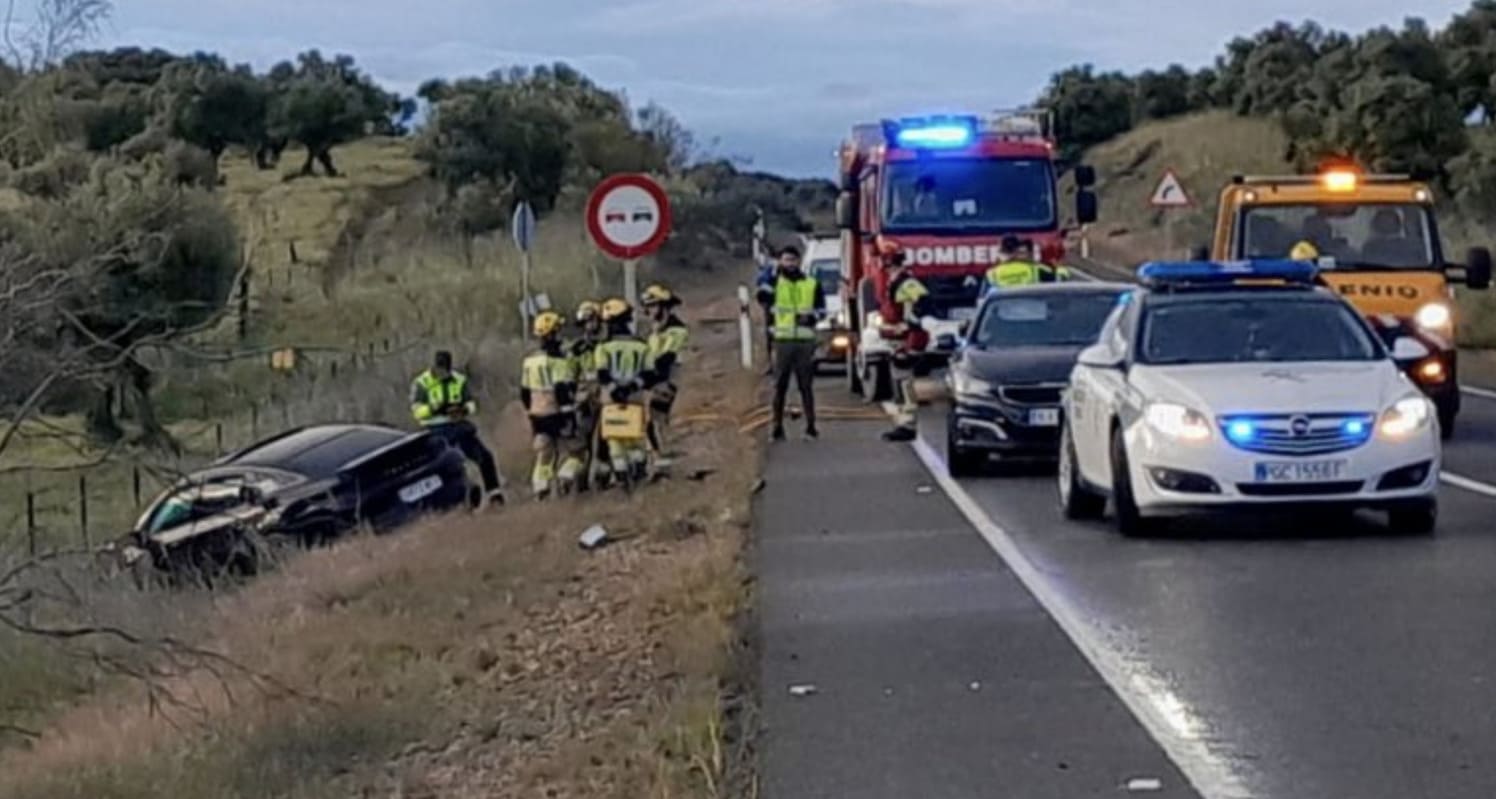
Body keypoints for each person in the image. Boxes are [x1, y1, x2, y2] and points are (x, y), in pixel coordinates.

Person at [410, 350, 504, 504]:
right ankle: (458, 499)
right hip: (434, 432)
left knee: (485, 457)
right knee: (449, 465)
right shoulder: (421, 383)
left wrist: (463, 410)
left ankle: (494, 494)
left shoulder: (459, 380)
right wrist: (434, 409)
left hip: (457, 426)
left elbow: (472, 404)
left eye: (444, 369)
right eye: (438, 368)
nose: (441, 372)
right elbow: (417, 412)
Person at [767, 245, 825, 441]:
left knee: (806, 386)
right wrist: (770, 278)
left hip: (804, 341)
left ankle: (811, 426)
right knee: (780, 386)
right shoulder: (775, 282)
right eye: (785, 260)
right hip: (783, 340)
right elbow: (762, 297)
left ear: (799, 261)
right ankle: (777, 427)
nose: (789, 263)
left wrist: (812, 318)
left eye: (792, 260)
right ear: (780, 262)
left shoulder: (811, 283)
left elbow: (821, 309)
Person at [594, 298, 654, 482]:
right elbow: (649, 374)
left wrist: (615, 390)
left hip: (610, 400)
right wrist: (631, 387)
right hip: (635, 397)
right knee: (636, 436)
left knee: (614, 438)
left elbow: (602, 374)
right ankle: (638, 468)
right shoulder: (642, 346)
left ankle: (620, 473)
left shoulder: (603, 348)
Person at [520, 311, 577, 500]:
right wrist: (569, 416)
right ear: (552, 335)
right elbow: (562, 391)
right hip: (556, 413)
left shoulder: (529, 362)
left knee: (544, 456)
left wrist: (530, 412)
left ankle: (540, 490)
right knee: (576, 452)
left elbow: (524, 392)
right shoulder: (559, 362)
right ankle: (564, 478)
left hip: (537, 415)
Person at [881, 245, 930, 442]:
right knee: (899, 384)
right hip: (895, 339)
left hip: (905, 340)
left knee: (904, 384)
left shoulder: (906, 282)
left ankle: (908, 424)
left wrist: (909, 325)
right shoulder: (894, 282)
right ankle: (903, 422)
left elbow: (923, 301)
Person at [641, 283, 689, 460]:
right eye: (647, 307)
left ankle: (664, 458)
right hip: (657, 380)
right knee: (650, 422)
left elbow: (666, 359)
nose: (649, 311)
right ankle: (660, 455)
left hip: (669, 379)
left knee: (656, 418)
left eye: (653, 306)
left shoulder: (677, 330)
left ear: (663, 306)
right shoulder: (655, 332)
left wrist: (645, 376)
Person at [563, 300, 605, 489]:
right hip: (585, 400)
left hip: (606, 397)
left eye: (592, 321)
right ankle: (579, 482)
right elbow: (570, 375)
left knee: (605, 441)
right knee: (581, 443)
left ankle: (603, 479)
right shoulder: (576, 349)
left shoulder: (607, 344)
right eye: (585, 323)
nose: (589, 326)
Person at [985, 236, 1070, 293]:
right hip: (1035, 314)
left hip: (1003, 317)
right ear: (1016, 251)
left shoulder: (992, 274)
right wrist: (1060, 268)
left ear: (1000, 252)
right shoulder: (1036, 269)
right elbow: (1060, 281)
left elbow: (981, 300)